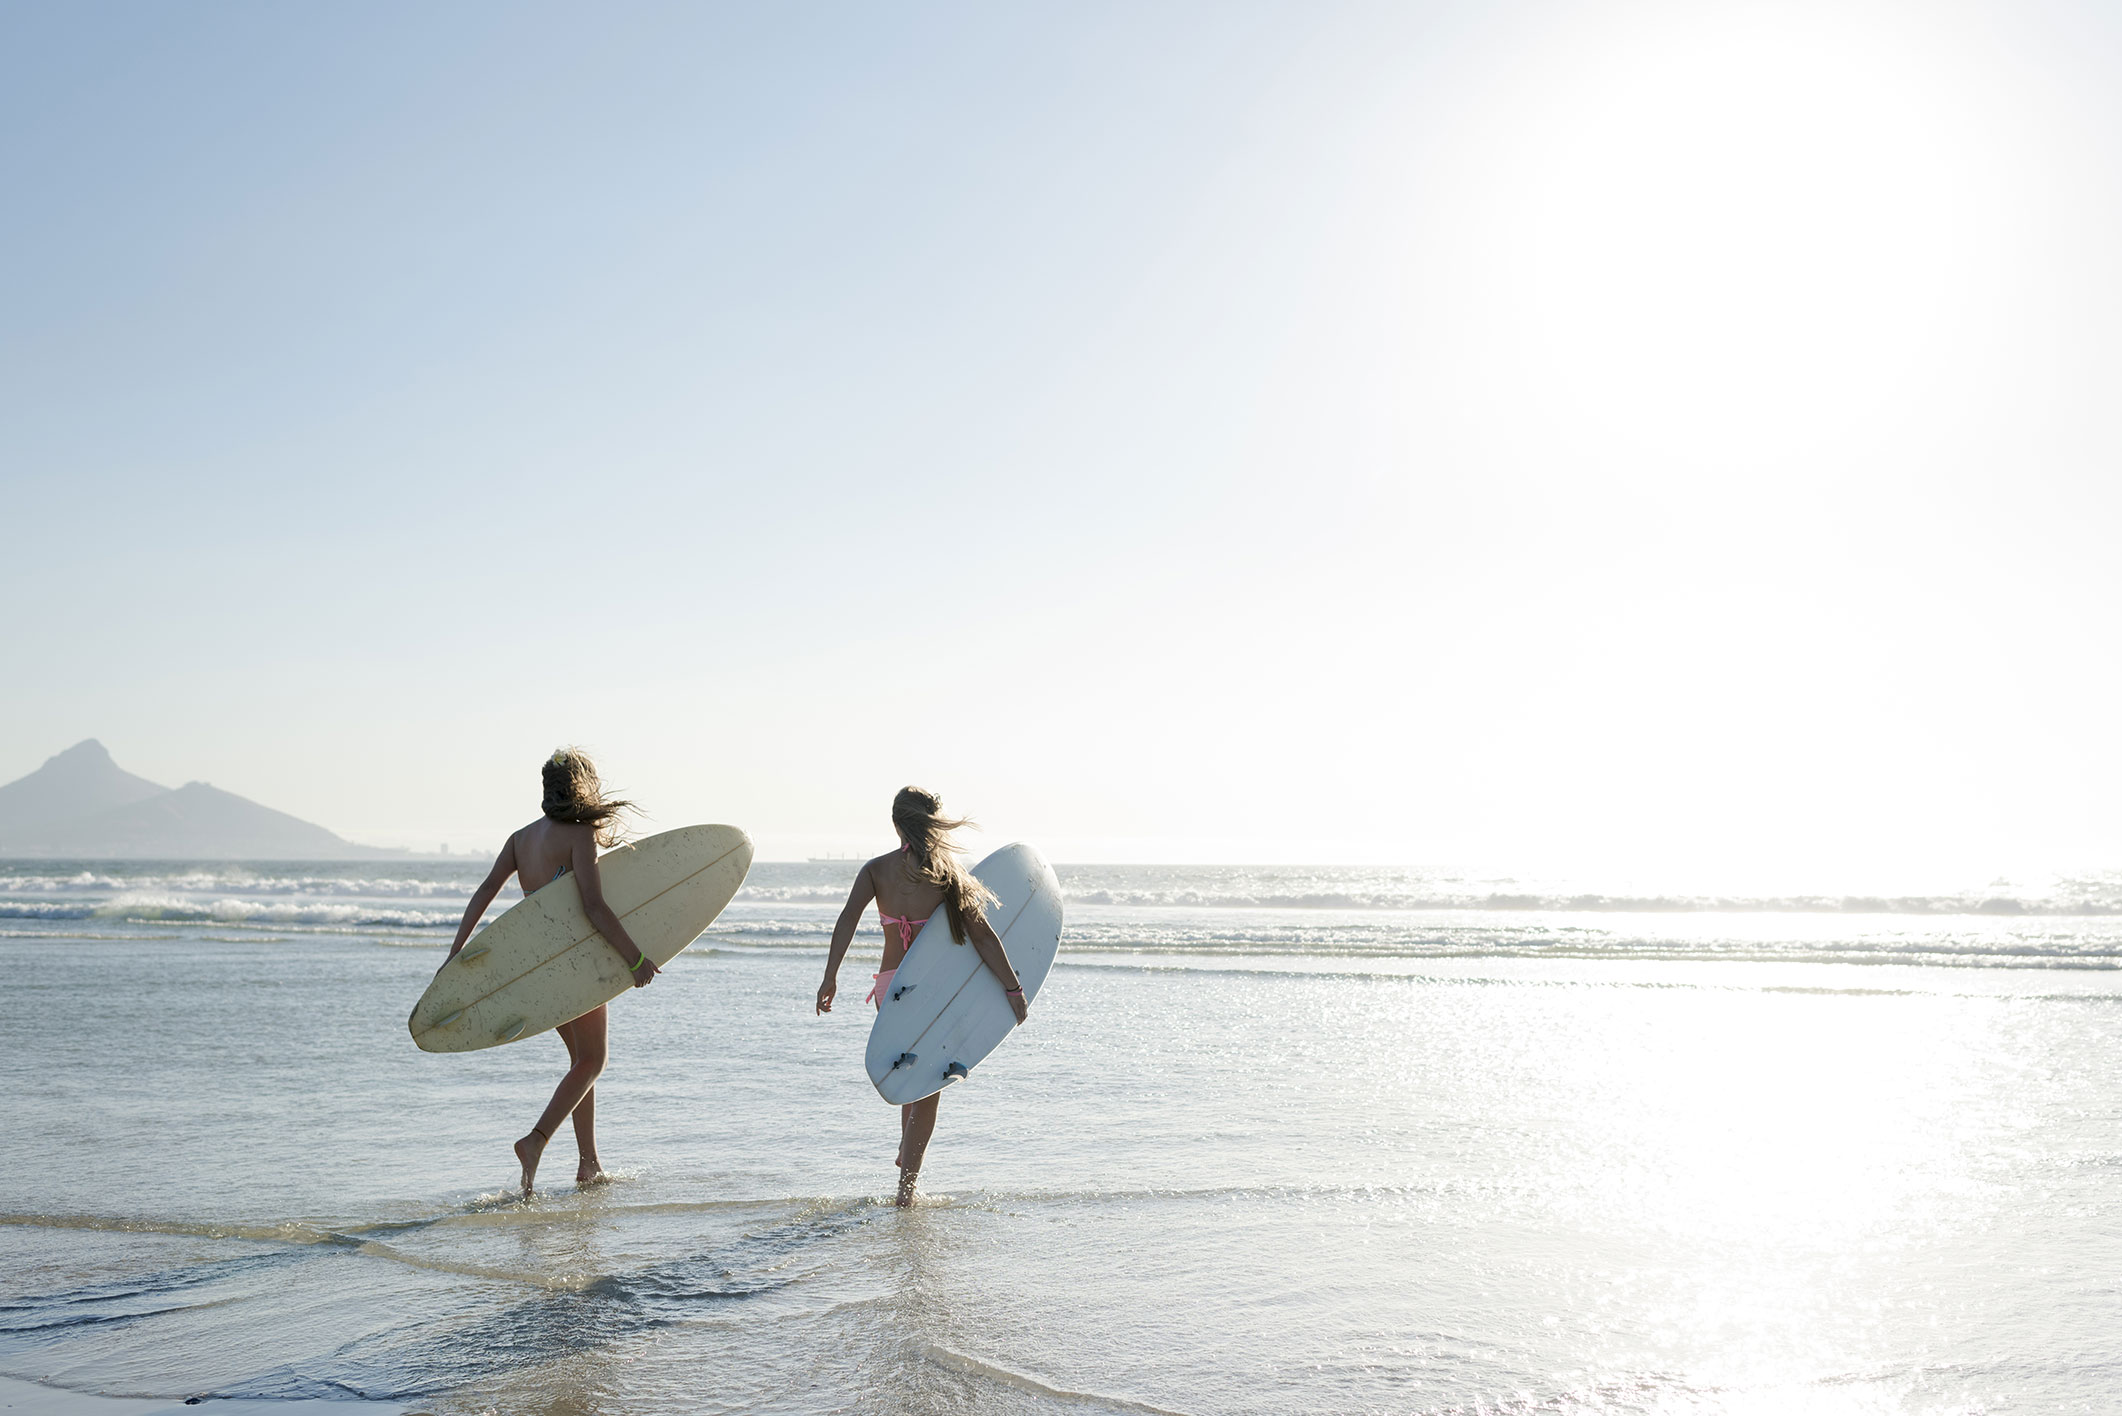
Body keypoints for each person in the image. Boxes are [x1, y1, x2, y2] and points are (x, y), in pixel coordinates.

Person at [445, 748, 658, 1197]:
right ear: (582, 786)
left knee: (581, 1063)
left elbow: (486, 891)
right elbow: (593, 907)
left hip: (539, 969)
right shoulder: (578, 836)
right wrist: (634, 959)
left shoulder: (521, 838)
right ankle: (535, 1141)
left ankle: (589, 1164)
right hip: (576, 964)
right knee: (593, 1061)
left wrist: (456, 952)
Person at [815, 786, 1029, 1206]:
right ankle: (906, 1190)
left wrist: (830, 977)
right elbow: (983, 937)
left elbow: (846, 921)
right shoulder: (948, 874)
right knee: (928, 1088)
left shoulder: (876, 870)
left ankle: (905, 1152)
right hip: (933, 992)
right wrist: (1013, 987)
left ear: (895, 823)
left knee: (908, 1073)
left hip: (889, 988)